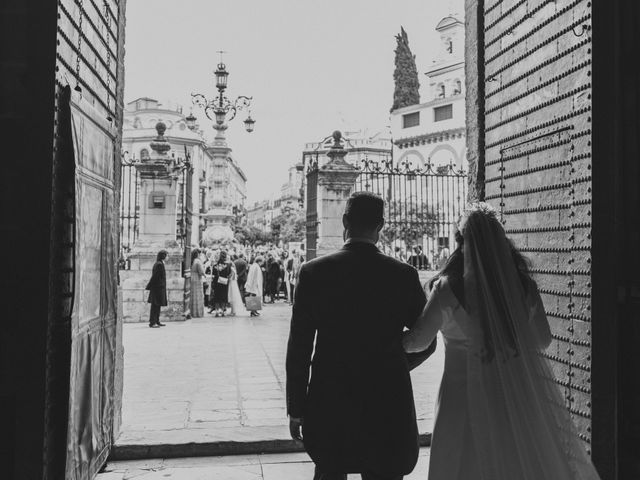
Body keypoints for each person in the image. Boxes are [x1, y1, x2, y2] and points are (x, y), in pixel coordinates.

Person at [402, 203, 601, 480]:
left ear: (462, 243)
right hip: (512, 394)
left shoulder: (447, 288)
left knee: (462, 461)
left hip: (461, 399)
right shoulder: (523, 286)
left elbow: (417, 342)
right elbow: (542, 340)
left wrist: (386, 339)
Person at [286, 192, 437, 480]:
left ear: (345, 221)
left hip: (330, 396)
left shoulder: (313, 273)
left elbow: (299, 348)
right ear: (381, 226)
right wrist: (395, 363)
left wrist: (296, 407)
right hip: (386, 396)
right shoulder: (402, 274)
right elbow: (427, 340)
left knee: (330, 467)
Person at [145, 249, 168, 328]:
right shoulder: (159, 264)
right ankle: (152, 322)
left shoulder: (160, 263)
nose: (167, 257)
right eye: (166, 255)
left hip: (158, 288)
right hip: (157, 288)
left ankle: (157, 321)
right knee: (155, 306)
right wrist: (149, 286)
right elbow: (155, 277)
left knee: (158, 306)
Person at [210, 250, 232, 317]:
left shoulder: (215, 265)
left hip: (217, 283)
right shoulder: (228, 265)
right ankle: (222, 311)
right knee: (223, 297)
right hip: (224, 282)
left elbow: (213, 274)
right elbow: (229, 274)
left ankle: (216, 311)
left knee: (217, 297)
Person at [190, 248, 205, 318]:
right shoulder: (198, 261)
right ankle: (198, 313)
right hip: (197, 279)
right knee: (198, 296)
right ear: (198, 254)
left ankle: (192, 312)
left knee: (193, 295)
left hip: (191, 278)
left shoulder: (192, 260)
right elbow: (201, 271)